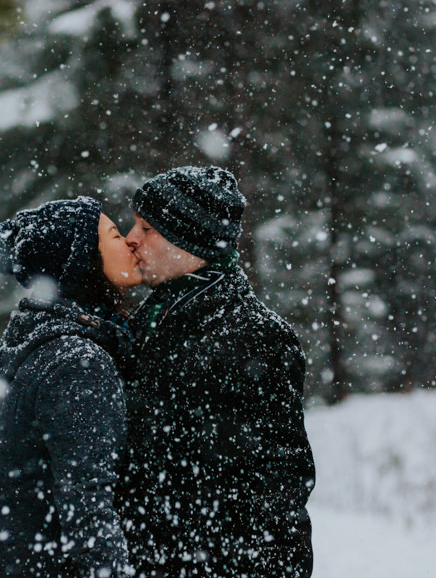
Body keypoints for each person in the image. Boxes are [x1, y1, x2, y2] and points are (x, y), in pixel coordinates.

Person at [117, 166, 316, 578]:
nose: (131, 238)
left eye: (147, 227)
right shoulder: (146, 323)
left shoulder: (255, 337)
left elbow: (278, 490)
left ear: (190, 240)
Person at [0, 196, 140, 578]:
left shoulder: (62, 344)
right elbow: (86, 501)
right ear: (82, 262)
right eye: (113, 234)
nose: (128, 241)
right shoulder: (78, 360)